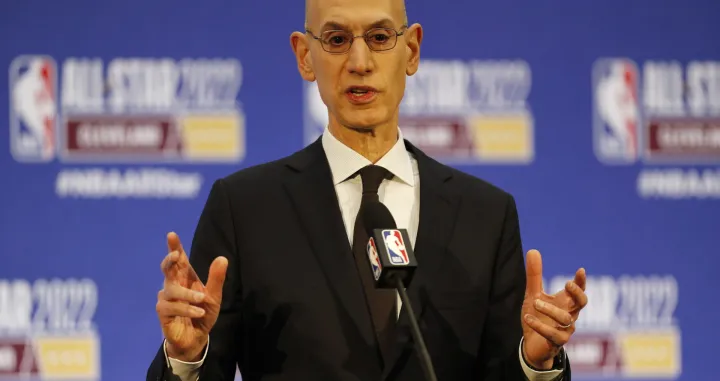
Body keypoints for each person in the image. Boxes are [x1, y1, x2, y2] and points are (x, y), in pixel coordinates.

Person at [146, 0, 589, 379]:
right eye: (337, 40)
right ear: (304, 56)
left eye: (379, 37)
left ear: (411, 49)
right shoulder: (244, 209)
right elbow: (205, 364)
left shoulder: (486, 216)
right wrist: (186, 358)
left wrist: (535, 362)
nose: (359, 61)